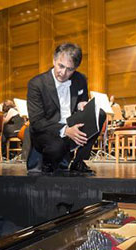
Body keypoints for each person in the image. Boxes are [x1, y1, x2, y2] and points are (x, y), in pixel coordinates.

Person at [27, 43, 106, 174]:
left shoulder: (80, 79)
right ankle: (48, 162)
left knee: (100, 114)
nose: (63, 73)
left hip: (71, 123)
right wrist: (65, 130)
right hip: (48, 130)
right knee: (58, 146)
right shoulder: (36, 84)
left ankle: (78, 161)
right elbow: (37, 122)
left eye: (69, 69)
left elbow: (82, 99)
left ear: (75, 68)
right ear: (54, 60)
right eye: (60, 66)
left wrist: (82, 104)